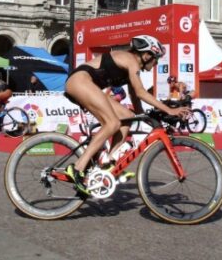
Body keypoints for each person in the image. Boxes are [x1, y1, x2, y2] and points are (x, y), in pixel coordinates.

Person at [62, 35, 187, 194]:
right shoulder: (131, 60)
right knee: (112, 123)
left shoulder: (131, 68)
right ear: (147, 55)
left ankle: (107, 163)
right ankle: (77, 168)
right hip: (80, 81)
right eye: (155, 59)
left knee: (127, 117)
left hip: (85, 83)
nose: (156, 63)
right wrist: (169, 110)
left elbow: (135, 97)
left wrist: (145, 116)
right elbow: (142, 92)